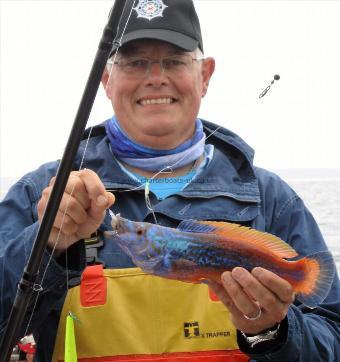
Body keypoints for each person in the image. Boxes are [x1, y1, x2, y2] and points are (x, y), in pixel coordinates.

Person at [1, 1, 339, 361]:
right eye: (135, 62)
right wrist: (45, 246)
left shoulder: (272, 200)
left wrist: (273, 332)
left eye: (175, 60)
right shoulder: (43, 195)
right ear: (107, 80)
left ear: (205, 75)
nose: (156, 77)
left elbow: (332, 340)